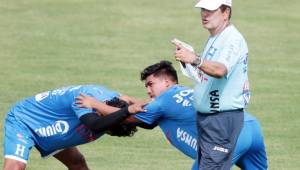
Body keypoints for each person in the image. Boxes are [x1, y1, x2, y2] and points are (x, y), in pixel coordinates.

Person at [76, 61, 268, 170]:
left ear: (168, 82)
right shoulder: (178, 94)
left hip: (226, 138)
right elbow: (153, 109)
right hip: (250, 127)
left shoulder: (166, 100)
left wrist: (94, 104)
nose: (148, 90)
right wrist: (131, 99)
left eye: (150, 84)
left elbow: (130, 117)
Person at [172, 0, 251, 169]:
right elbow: (207, 74)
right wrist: (191, 61)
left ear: (226, 13)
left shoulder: (232, 39)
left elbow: (220, 70)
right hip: (210, 119)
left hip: (221, 120)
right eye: (203, 9)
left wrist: (195, 59)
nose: (204, 14)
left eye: (210, 10)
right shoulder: (216, 37)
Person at [2, 84, 146, 170]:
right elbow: (94, 125)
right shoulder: (86, 99)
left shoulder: (115, 106)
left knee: (78, 164)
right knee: (15, 167)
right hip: (25, 120)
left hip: (55, 130)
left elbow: (147, 111)